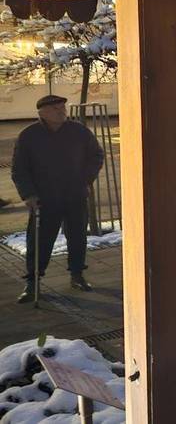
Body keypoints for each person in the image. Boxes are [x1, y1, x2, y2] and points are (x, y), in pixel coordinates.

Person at [13, 95, 104, 303]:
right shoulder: (29, 136)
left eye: (62, 107)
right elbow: (19, 169)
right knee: (39, 240)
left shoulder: (78, 131)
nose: (61, 111)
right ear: (42, 113)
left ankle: (77, 274)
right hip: (44, 197)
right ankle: (33, 282)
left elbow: (96, 155)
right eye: (55, 108)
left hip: (75, 194)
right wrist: (28, 195)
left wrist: (85, 179)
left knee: (77, 236)